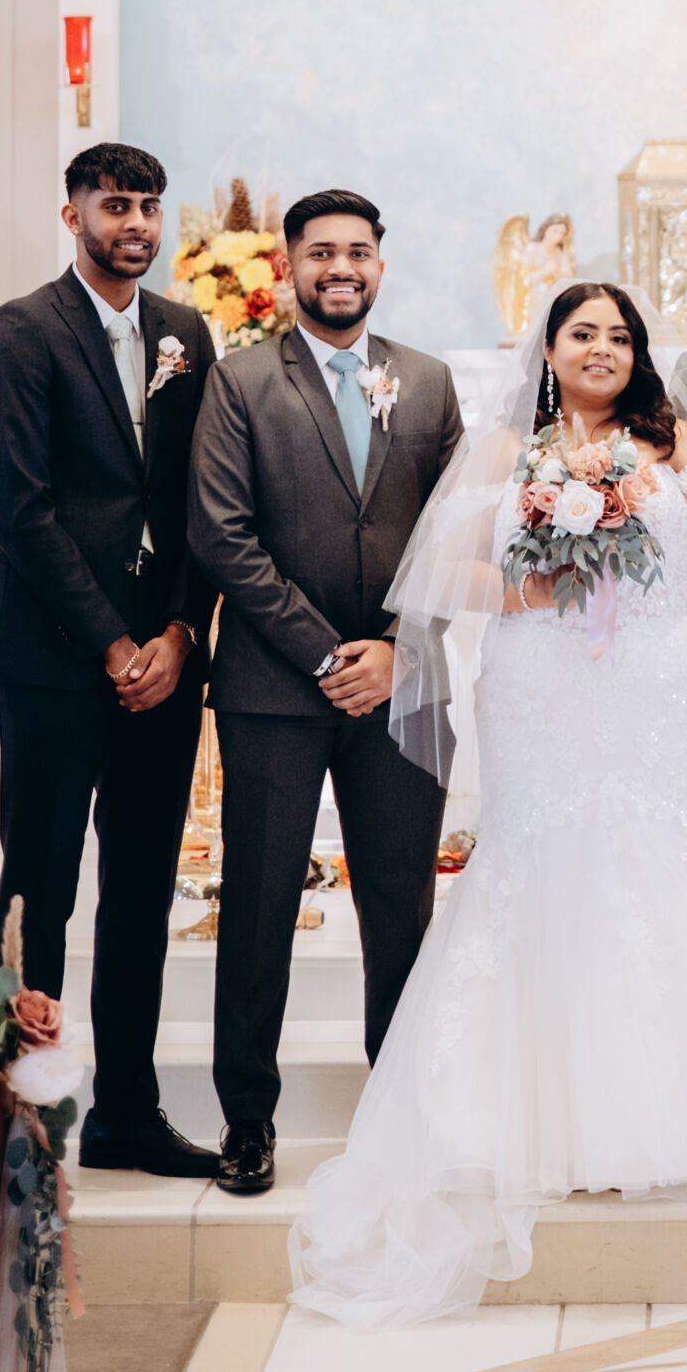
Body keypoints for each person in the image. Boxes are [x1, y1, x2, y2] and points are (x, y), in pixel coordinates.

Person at [288, 282, 687, 1325]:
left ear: (639, 354)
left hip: (653, 685)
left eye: (618, 335)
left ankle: (665, 1114)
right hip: (540, 685)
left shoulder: (674, 445)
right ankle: (539, 1117)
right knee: (539, 865)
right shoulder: (506, 449)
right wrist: (536, 587)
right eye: (582, 334)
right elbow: (444, 577)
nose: (601, 348)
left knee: (660, 859)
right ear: (550, 351)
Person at [187, 190, 464, 1199]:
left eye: (357, 251)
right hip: (273, 689)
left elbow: (459, 533)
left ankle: (399, 1114)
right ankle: (247, 1120)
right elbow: (221, 534)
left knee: (401, 908)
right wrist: (324, 654)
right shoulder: (240, 380)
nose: (339, 267)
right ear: (289, 266)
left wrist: (395, 648)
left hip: (404, 687)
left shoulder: (427, 381)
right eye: (319, 252)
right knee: (259, 908)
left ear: (379, 265)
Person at [0, 141, 217, 1176]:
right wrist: (114, 642)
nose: (137, 224)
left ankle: (126, 1113)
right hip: (53, 656)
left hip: (162, 659)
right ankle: (10, 1116)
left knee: (142, 888)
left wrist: (179, 633)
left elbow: (204, 498)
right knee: (40, 886)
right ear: (73, 214)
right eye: (116, 205)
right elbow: (21, 511)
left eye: (149, 205)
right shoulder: (23, 332)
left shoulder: (185, 332)